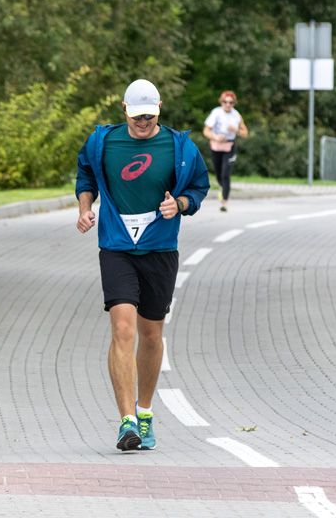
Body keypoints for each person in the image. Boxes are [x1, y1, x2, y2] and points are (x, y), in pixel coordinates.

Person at [75, 79, 209, 451]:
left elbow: (199, 187)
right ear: (124, 109)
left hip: (159, 248)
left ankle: (146, 411)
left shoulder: (180, 147)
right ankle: (127, 422)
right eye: (137, 116)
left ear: (160, 109)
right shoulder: (103, 141)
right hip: (116, 246)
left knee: (151, 335)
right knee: (122, 329)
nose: (143, 122)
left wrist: (179, 204)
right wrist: (85, 208)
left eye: (149, 116)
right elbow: (85, 175)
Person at [203, 90, 248, 212]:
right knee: (218, 175)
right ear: (221, 102)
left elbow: (245, 133)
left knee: (225, 174)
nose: (228, 104)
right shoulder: (216, 113)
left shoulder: (236, 115)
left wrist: (236, 130)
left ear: (234, 103)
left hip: (229, 147)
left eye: (231, 102)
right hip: (216, 146)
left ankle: (224, 202)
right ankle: (223, 189)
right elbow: (206, 131)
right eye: (225, 102)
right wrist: (215, 137)